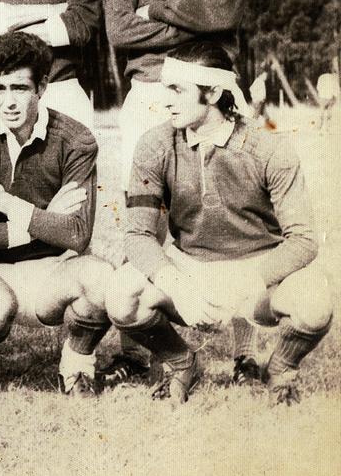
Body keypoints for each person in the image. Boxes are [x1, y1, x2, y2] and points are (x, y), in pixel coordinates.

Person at [105, 42, 331, 405]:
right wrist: (176, 283)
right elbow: (137, 234)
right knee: (120, 293)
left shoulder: (269, 149)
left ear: (212, 92)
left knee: (316, 300)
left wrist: (250, 280)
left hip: (257, 276)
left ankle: (281, 369)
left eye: (177, 89)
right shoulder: (154, 145)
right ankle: (181, 363)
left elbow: (304, 239)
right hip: (191, 268)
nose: (166, 100)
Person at [104, 0, 255, 385]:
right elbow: (120, 32)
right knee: (141, 216)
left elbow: (225, 15)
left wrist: (157, 8)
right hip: (147, 93)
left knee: (232, 212)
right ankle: (136, 349)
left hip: (210, 91)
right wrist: (190, 14)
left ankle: (246, 355)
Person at [0, 32, 112, 396]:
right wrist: (42, 219)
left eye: (20, 88)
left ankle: (76, 364)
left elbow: (76, 234)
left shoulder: (76, 139)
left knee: (103, 280)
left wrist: (6, 204)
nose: (8, 102)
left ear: (42, 86)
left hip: (48, 266)